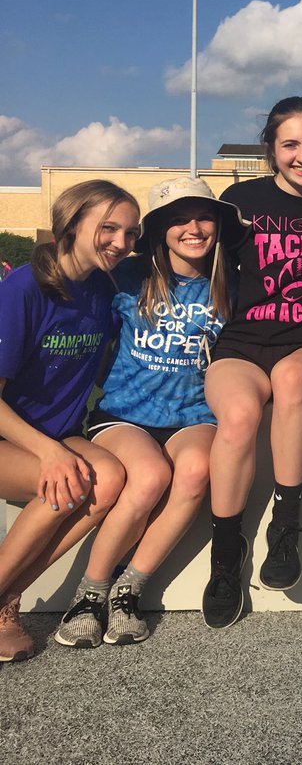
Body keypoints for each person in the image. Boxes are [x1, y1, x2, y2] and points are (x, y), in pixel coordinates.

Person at [52, 178, 243, 648]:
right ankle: (90, 593)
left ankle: (128, 590)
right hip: (124, 414)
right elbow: (74, 324)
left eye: (203, 217)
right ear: (159, 229)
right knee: (151, 475)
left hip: (193, 414)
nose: (193, 228)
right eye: (179, 219)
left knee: (197, 470)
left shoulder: (230, 282)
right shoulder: (124, 276)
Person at [202, 97, 302, 629]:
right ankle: (225, 554)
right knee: (238, 417)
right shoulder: (240, 199)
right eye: (291, 145)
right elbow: (194, 255)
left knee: (289, 381)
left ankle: (285, 527)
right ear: (271, 148)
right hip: (242, 343)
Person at [0, 181, 139, 661]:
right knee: (73, 481)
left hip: (54, 434)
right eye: (109, 228)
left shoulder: (102, 289)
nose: (122, 243)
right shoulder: (23, 288)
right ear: (71, 224)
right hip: (11, 435)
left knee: (112, 478)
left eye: (130, 232)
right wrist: (49, 451)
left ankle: (6, 601)